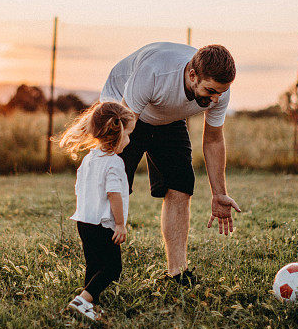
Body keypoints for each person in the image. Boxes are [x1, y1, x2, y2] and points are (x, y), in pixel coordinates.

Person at [101, 42, 241, 285]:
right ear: (192, 75)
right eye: (211, 91)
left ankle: (177, 274)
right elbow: (126, 122)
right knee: (116, 184)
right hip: (124, 110)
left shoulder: (219, 90)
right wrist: (114, 163)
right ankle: (103, 272)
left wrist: (219, 193)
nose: (217, 99)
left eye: (221, 92)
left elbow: (213, 140)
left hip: (168, 116)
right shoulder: (155, 71)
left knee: (181, 184)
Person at [61, 101, 136, 321]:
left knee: (94, 265)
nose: (130, 140)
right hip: (103, 225)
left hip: (84, 221)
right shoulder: (114, 163)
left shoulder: (89, 159)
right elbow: (114, 194)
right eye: (128, 134)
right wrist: (120, 224)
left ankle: (89, 305)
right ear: (118, 134)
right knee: (112, 268)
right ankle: (82, 300)